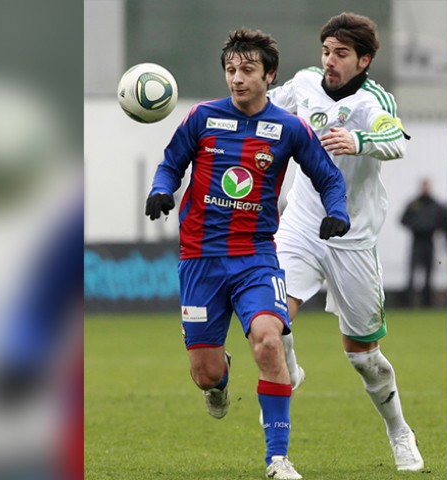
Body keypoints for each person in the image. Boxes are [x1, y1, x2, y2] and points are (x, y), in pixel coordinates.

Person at [145, 28, 350, 480]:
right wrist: (161, 189)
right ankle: (218, 381)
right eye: (231, 70)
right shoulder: (202, 117)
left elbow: (329, 178)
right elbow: (170, 163)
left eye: (247, 70)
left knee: (270, 341)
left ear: (269, 75)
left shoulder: (289, 128)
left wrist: (337, 212)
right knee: (204, 373)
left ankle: (278, 459)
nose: (237, 78)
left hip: (255, 256)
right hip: (200, 258)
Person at [267, 12, 424, 472]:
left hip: (352, 237)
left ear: (364, 60)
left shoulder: (374, 100)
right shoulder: (304, 84)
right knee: (270, 317)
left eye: (340, 54)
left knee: (364, 358)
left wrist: (358, 139)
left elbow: (395, 140)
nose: (329, 61)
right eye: (326, 51)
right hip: (301, 223)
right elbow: (264, 105)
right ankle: (289, 371)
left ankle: (399, 431)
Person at [400, 178, 447, 307]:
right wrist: (416, 226)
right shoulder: (414, 204)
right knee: (412, 272)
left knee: (429, 272)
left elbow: (443, 222)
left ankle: (427, 302)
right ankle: (408, 302)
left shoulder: (435, 204)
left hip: (429, 241)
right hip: (417, 241)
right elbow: (403, 220)